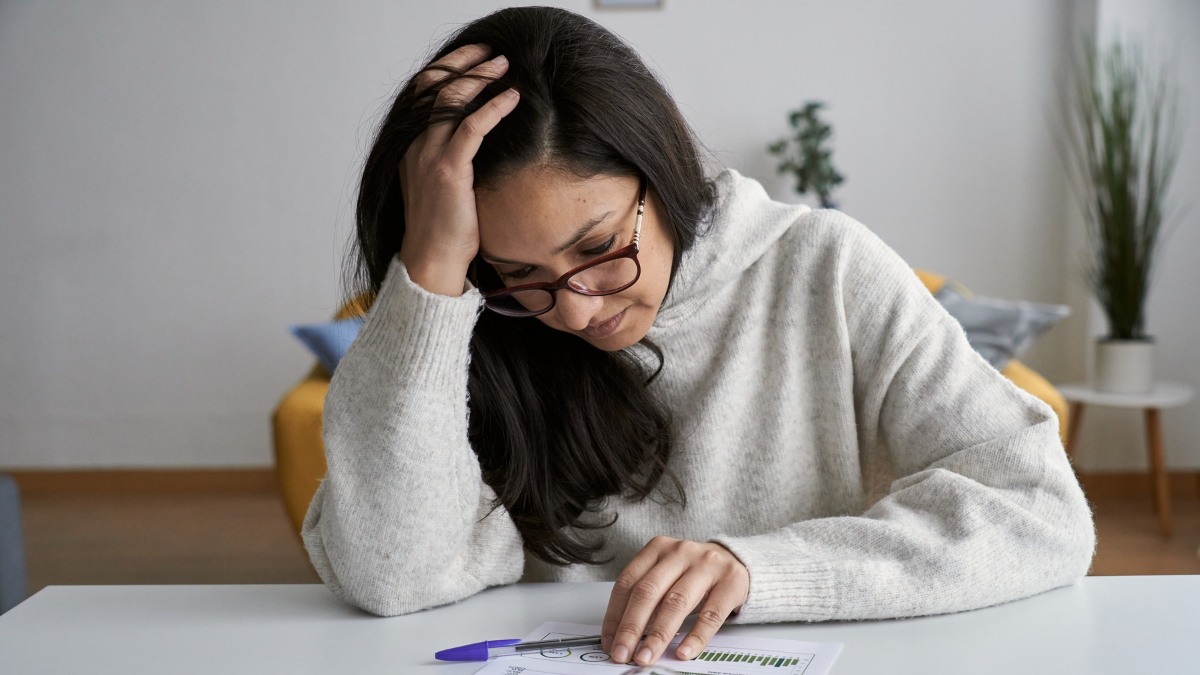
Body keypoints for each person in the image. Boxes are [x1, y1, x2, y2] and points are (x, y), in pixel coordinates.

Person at [302, 6, 1094, 668]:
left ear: (660, 165)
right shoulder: (470, 315)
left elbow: (1040, 510)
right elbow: (393, 574)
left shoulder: (826, 268)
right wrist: (434, 273)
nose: (574, 312)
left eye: (598, 247)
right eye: (521, 274)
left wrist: (761, 570)